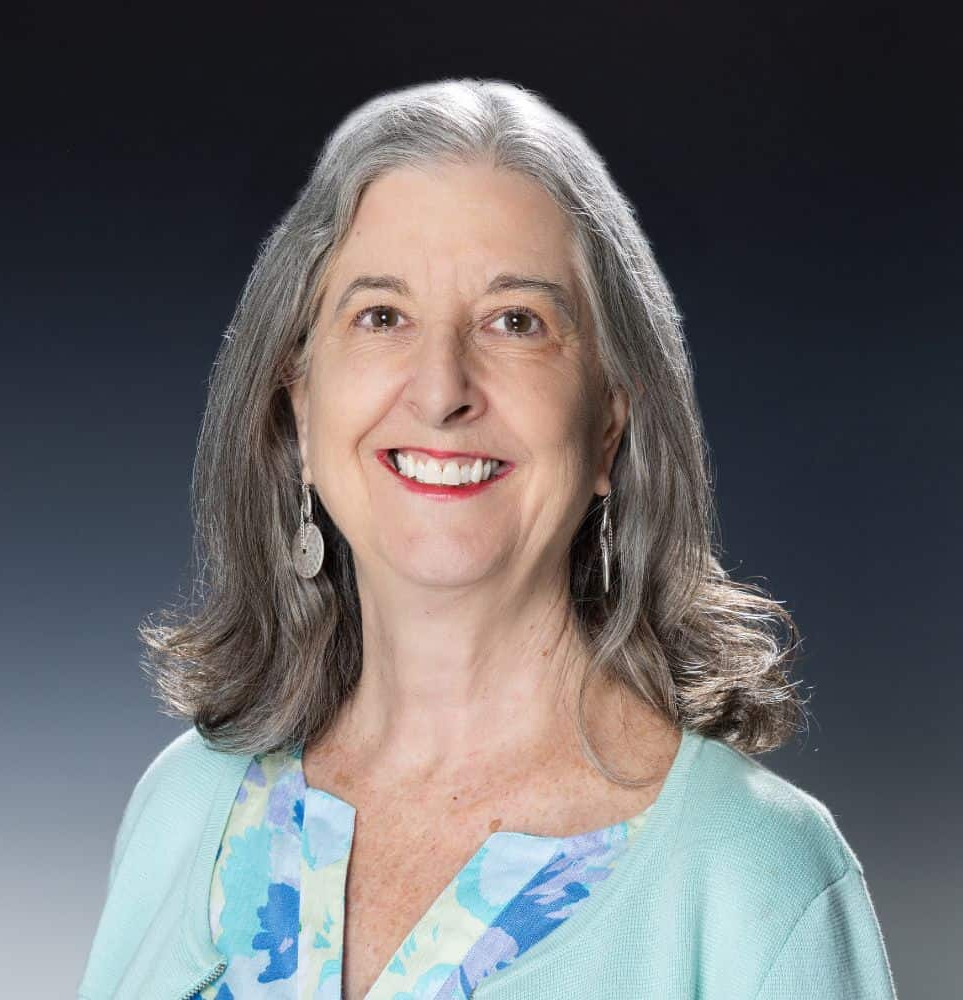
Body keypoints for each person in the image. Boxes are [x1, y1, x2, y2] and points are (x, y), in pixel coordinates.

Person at [76, 78, 898, 1000]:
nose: (441, 390)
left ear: (610, 428)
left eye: (517, 322)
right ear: (299, 409)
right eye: (381, 316)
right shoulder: (187, 806)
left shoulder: (755, 878)